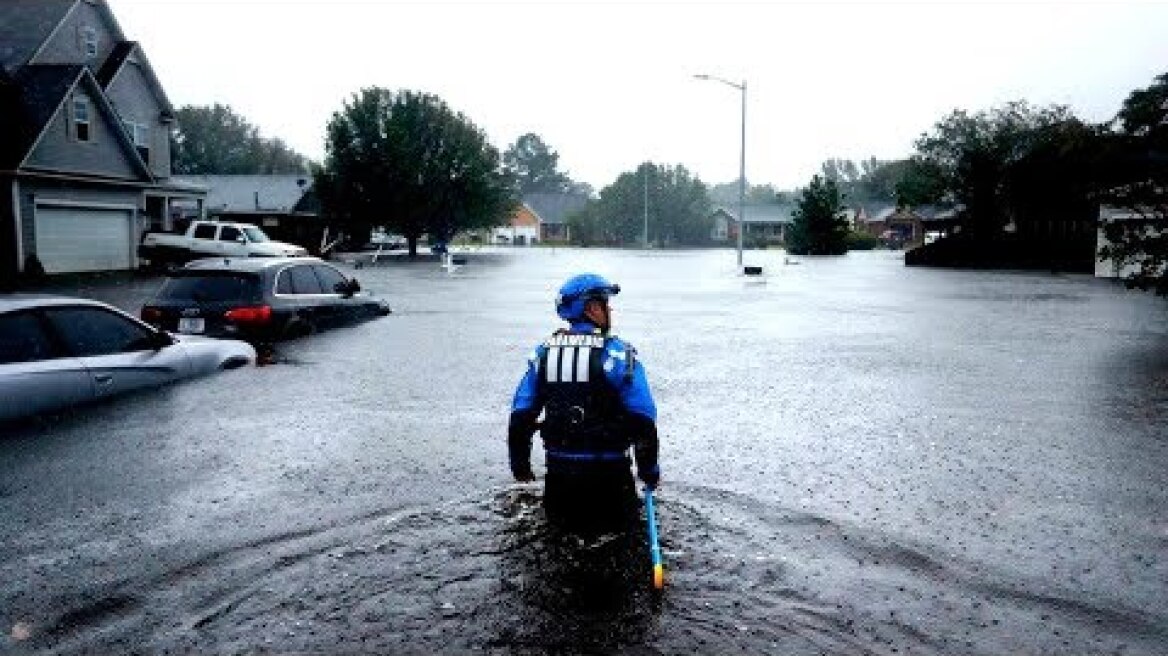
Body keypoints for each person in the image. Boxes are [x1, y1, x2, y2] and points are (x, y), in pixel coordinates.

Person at [508, 273, 660, 536]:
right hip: (611, 479)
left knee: (558, 544)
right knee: (622, 544)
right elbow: (643, 421)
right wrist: (649, 472)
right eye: (604, 303)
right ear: (591, 308)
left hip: (560, 479)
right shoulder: (618, 355)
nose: (609, 310)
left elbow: (520, 416)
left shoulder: (543, 355)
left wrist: (521, 467)